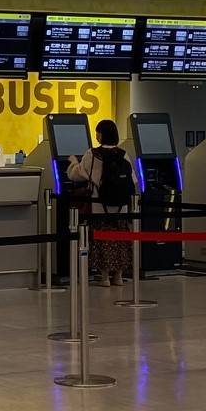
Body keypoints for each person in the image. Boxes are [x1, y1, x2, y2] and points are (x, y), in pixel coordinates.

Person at [67, 119, 135, 286]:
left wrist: (73, 163)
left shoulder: (93, 154)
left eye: (98, 132)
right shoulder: (123, 154)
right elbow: (133, 180)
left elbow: (78, 175)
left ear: (101, 135)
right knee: (120, 239)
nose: (96, 135)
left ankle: (104, 277)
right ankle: (118, 276)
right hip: (121, 206)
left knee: (101, 239)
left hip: (100, 205)